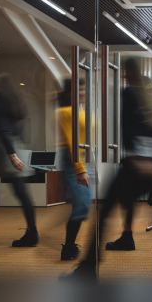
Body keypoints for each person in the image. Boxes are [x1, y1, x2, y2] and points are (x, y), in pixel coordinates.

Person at [64, 59, 152, 281]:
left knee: (106, 211)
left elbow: (127, 129)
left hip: (137, 164)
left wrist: (139, 158)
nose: (123, 76)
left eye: (125, 72)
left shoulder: (130, 93)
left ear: (131, 72)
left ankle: (89, 267)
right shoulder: (151, 98)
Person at [0, 73, 37, 247]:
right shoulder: (15, 102)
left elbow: (2, 128)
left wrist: (11, 154)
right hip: (16, 145)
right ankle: (32, 233)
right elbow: (12, 128)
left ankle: (32, 234)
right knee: (22, 194)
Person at [56, 78, 92, 260]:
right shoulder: (66, 112)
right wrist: (79, 169)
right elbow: (72, 142)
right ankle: (68, 248)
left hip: (82, 159)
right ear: (70, 93)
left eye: (84, 90)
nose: (82, 94)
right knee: (82, 205)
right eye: (78, 91)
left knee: (83, 205)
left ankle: (69, 247)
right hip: (73, 159)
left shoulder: (79, 110)